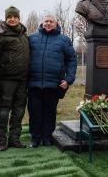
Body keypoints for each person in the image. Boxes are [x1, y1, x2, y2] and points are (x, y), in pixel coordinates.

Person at [27, 14, 77, 147]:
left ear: (56, 24)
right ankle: (35, 138)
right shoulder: (31, 39)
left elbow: (71, 60)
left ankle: (47, 137)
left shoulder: (64, 40)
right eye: (46, 21)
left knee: (49, 112)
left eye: (51, 21)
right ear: (42, 23)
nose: (48, 23)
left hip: (53, 84)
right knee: (35, 111)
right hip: (34, 83)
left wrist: (68, 79)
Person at [0, 6, 30, 151]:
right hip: (6, 81)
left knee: (19, 111)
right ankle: (1, 140)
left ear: (19, 19)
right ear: (6, 19)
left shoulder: (24, 37)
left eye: (15, 17)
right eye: (10, 17)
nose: (13, 19)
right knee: (3, 111)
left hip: (22, 80)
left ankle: (14, 139)